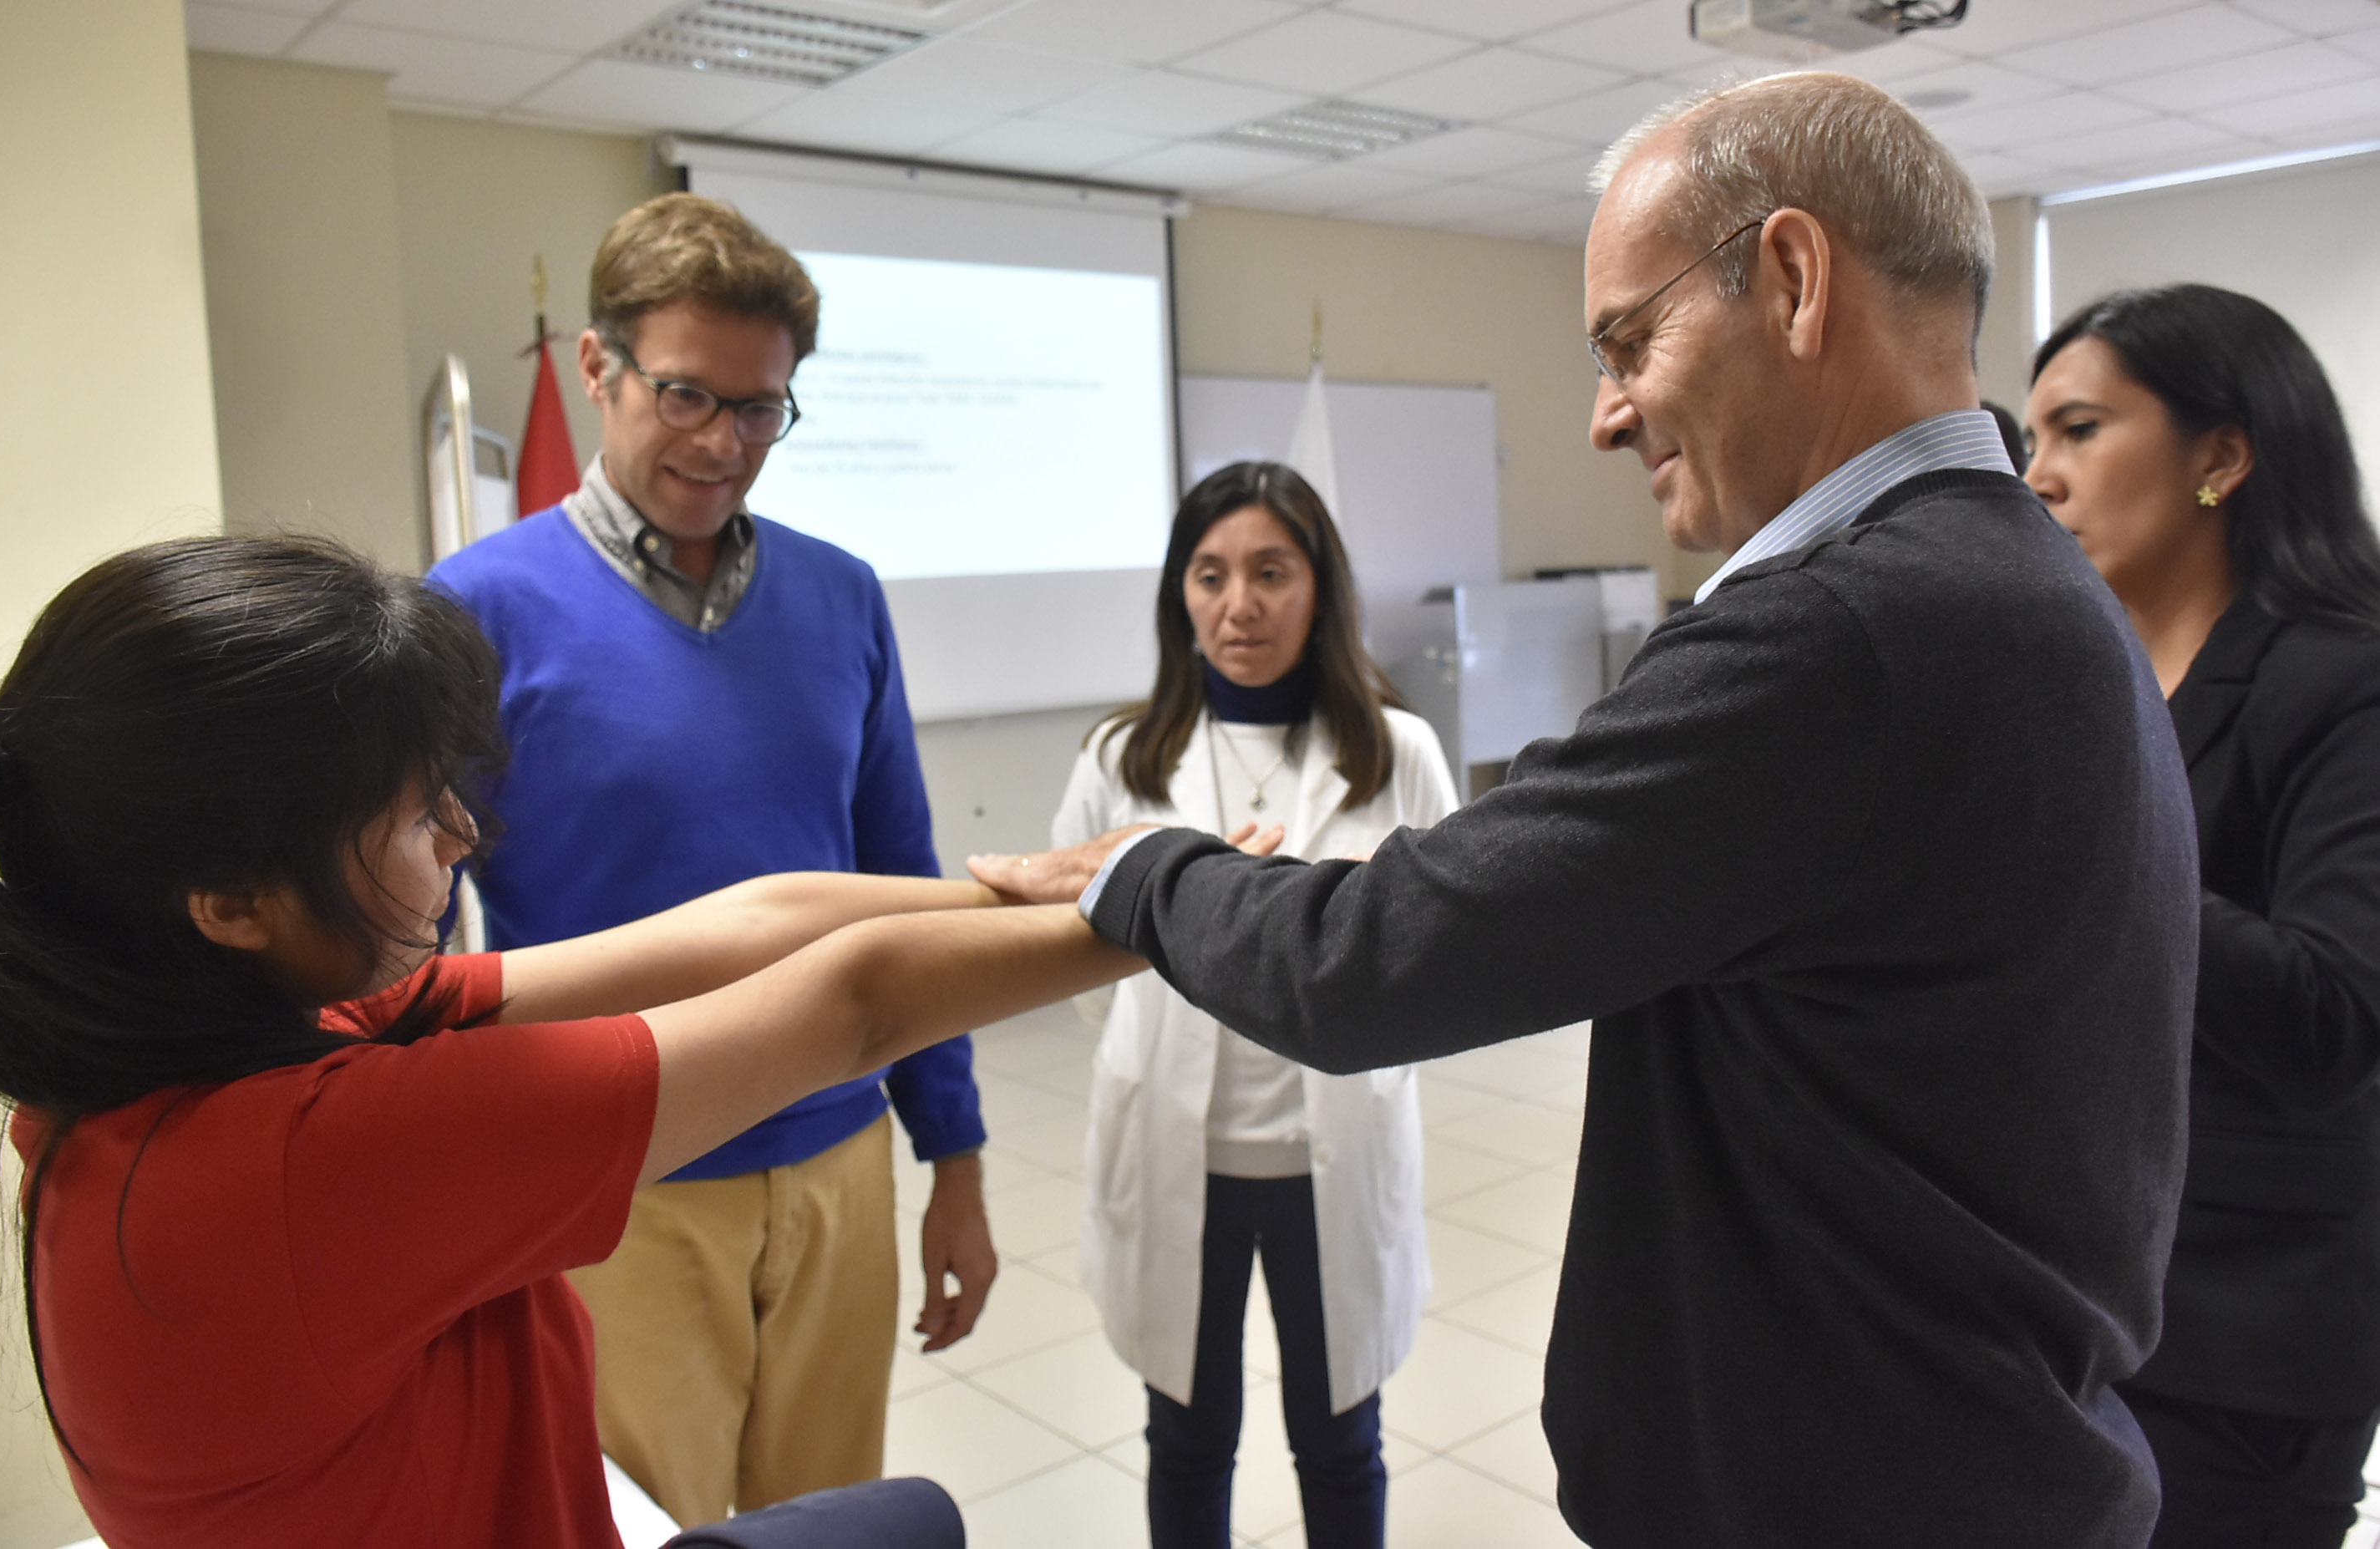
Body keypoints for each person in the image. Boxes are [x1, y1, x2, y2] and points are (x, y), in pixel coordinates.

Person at [972, 72, 2200, 1549]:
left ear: (1795, 280)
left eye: (1629, 340)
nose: (1607, 413)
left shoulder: (1842, 634)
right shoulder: (2040, 591)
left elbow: (1368, 956)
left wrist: (1142, 868)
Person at [0, 536, 1142, 1549]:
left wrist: (1043, 899)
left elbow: (740, 928)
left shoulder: (184, 1054)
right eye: (419, 811)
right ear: (235, 900)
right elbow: (853, 1009)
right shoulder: (306, 1162)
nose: (463, 833)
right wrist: (1170, 919)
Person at [428, 193, 993, 1527]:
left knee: (828, 1514)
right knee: (652, 1518)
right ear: (597, 367)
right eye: (688, 396)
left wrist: (954, 1157)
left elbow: (904, 880)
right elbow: (416, 912)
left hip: (837, 1160)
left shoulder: (841, 594)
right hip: (617, 1179)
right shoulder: (475, 609)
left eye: (759, 409)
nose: (723, 444)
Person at [2026, 283, 2380, 1549]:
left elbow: (2331, 1013)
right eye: (2032, 442)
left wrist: (2089, 850)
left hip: (2251, 1338)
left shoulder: (2343, 680)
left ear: (2221, 457)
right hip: (2085, 1297)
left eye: (2079, 430)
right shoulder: (2092, 675)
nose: (2040, 475)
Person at [1053, 461, 1457, 1547]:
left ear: (1319, 588)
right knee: (1186, 1440)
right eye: (1212, 573)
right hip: (1183, 1152)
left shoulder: (1396, 753)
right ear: (1179, 593)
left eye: (1271, 572)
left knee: (1340, 1442)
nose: (1240, 605)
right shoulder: (1120, 757)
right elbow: (1078, 968)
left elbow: (1436, 956)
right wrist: (1152, 1049)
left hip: (1336, 1149)